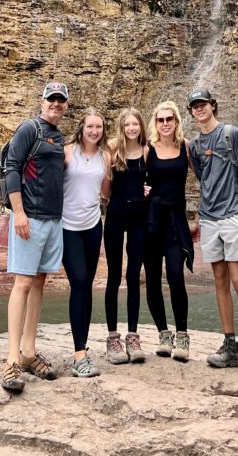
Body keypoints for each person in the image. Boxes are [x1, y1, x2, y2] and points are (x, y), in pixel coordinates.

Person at [188, 87, 238, 380]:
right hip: (209, 219)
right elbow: (202, 177)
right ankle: (229, 346)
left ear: (213, 105)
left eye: (203, 104)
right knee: (219, 281)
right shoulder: (194, 144)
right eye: (195, 106)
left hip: (232, 217)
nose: (199, 109)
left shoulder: (232, 134)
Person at [1, 80, 68, 393]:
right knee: (23, 282)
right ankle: (11, 359)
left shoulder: (57, 136)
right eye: (51, 99)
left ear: (66, 105)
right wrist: (18, 212)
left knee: (39, 281)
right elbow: (11, 168)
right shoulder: (29, 129)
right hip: (30, 218)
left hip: (53, 220)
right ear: (42, 101)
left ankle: (29, 352)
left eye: (61, 100)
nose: (55, 104)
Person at [62, 107, 111, 378]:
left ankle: (82, 348)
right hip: (66, 226)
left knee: (86, 285)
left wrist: (139, 189)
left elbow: (106, 192)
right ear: (82, 128)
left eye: (99, 127)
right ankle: (79, 355)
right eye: (90, 126)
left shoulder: (106, 157)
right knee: (79, 281)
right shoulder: (67, 152)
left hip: (93, 226)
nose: (94, 131)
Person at [144, 100, 194, 362]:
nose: (165, 124)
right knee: (152, 278)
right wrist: (138, 191)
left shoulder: (185, 147)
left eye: (169, 119)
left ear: (176, 121)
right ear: (155, 123)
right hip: (151, 220)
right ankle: (164, 333)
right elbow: (132, 176)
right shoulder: (147, 150)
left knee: (175, 275)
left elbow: (205, 174)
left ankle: (183, 335)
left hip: (175, 219)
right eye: (160, 120)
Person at [102, 108, 149, 364]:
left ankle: (133, 336)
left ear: (141, 126)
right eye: (127, 124)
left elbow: (152, 178)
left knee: (133, 275)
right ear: (121, 127)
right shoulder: (112, 150)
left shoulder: (146, 151)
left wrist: (148, 189)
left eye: (135, 124)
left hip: (139, 216)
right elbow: (105, 187)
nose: (131, 128)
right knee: (113, 275)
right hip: (116, 214)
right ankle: (112, 338)